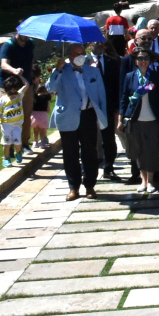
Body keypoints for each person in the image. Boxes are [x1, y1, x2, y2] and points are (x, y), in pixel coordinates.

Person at [49, 43, 111, 199]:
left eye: (83, 53)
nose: (81, 56)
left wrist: (102, 117)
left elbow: (101, 95)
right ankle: (73, 187)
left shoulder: (93, 71)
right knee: (70, 154)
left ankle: (90, 185)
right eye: (77, 54)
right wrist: (58, 69)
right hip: (68, 116)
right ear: (70, 56)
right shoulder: (63, 71)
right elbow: (50, 88)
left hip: (88, 115)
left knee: (90, 152)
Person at [121, 49, 159, 194]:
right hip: (136, 119)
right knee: (139, 150)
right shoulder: (130, 76)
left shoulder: (157, 76)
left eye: (146, 58)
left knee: (153, 150)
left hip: (153, 120)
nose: (143, 61)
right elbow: (124, 98)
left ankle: (151, 181)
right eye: (140, 58)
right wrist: (120, 118)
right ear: (135, 61)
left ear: (150, 61)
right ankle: (143, 180)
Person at [90, 41, 122, 180]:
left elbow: (118, 84)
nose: (99, 44)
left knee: (108, 139)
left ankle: (109, 168)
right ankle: (90, 169)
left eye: (101, 42)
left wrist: (117, 106)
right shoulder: (84, 62)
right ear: (89, 44)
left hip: (108, 106)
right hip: (88, 107)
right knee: (88, 140)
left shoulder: (113, 61)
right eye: (95, 42)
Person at [0, 33, 35, 156]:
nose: (26, 36)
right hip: (8, 85)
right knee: (8, 116)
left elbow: (30, 61)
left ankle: (24, 144)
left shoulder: (30, 43)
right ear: (17, 31)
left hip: (26, 83)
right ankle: (8, 147)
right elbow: (3, 64)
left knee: (25, 114)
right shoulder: (9, 45)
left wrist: (32, 78)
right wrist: (14, 71)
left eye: (27, 33)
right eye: (23, 33)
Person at [0, 76, 24, 168]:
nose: (13, 95)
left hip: (17, 124)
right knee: (7, 143)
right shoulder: (2, 100)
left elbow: (27, 85)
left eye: (15, 91)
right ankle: (6, 158)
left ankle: (18, 152)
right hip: (6, 125)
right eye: (10, 92)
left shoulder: (19, 95)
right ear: (6, 90)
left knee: (17, 142)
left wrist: (21, 76)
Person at [29, 69, 51, 150]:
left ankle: (35, 142)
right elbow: (48, 109)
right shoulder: (47, 97)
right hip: (43, 115)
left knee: (35, 130)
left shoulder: (34, 97)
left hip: (34, 115)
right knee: (42, 130)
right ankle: (42, 143)